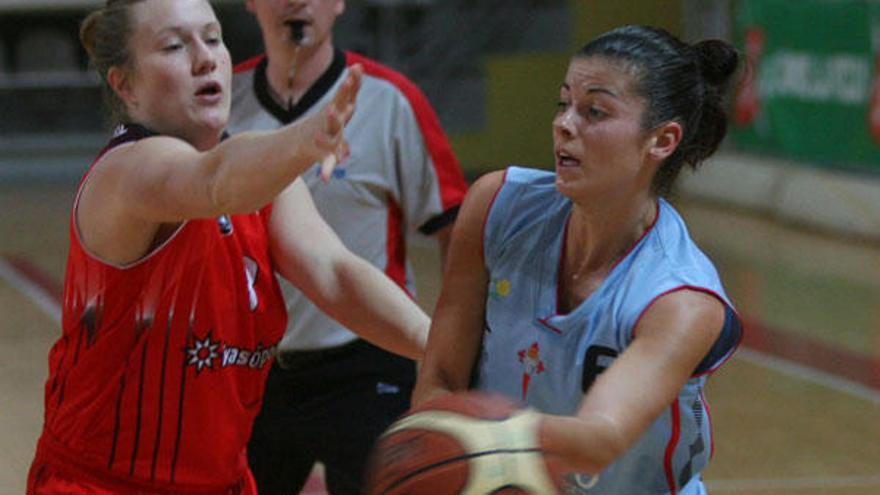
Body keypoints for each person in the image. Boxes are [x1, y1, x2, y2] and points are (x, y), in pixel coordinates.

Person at [27, 0, 430, 494]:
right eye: (175, 46)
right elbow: (214, 179)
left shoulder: (260, 181)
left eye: (213, 38)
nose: (204, 58)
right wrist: (306, 139)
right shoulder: (127, 173)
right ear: (125, 85)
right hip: (103, 484)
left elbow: (334, 274)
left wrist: (443, 348)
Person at [410, 25, 744, 494]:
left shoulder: (681, 299)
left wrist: (469, 436)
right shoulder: (496, 206)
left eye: (595, 110)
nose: (565, 123)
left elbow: (599, 438)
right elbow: (441, 376)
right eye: (563, 103)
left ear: (662, 141)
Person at [226, 1, 468, 493]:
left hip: (368, 362)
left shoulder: (391, 99)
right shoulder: (219, 100)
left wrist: (454, 351)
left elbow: (456, 227)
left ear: (339, 3)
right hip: (250, 366)